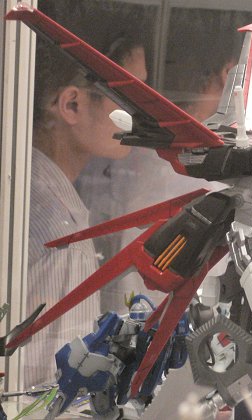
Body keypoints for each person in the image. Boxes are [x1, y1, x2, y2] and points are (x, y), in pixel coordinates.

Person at [25, 2, 148, 387]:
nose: (143, 112)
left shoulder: (24, 187)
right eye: (129, 95)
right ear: (72, 104)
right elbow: (54, 395)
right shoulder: (64, 239)